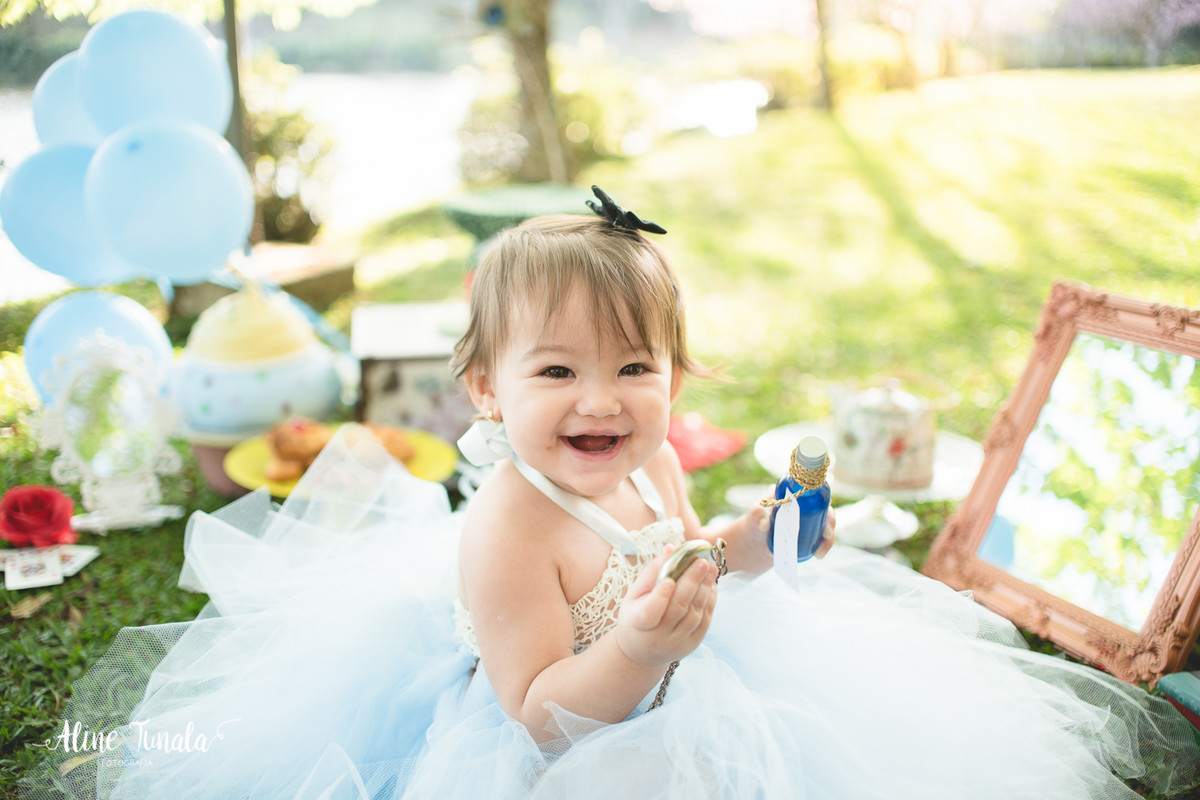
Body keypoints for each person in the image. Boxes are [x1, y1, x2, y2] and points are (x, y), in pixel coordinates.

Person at [22, 188, 1199, 800]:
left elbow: (687, 556)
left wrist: (753, 543)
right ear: (486, 390)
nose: (603, 397)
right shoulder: (507, 529)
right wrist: (637, 651)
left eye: (635, 366)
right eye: (557, 371)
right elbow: (537, 711)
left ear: (674, 377)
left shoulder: (651, 457)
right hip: (566, 733)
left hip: (676, 667)